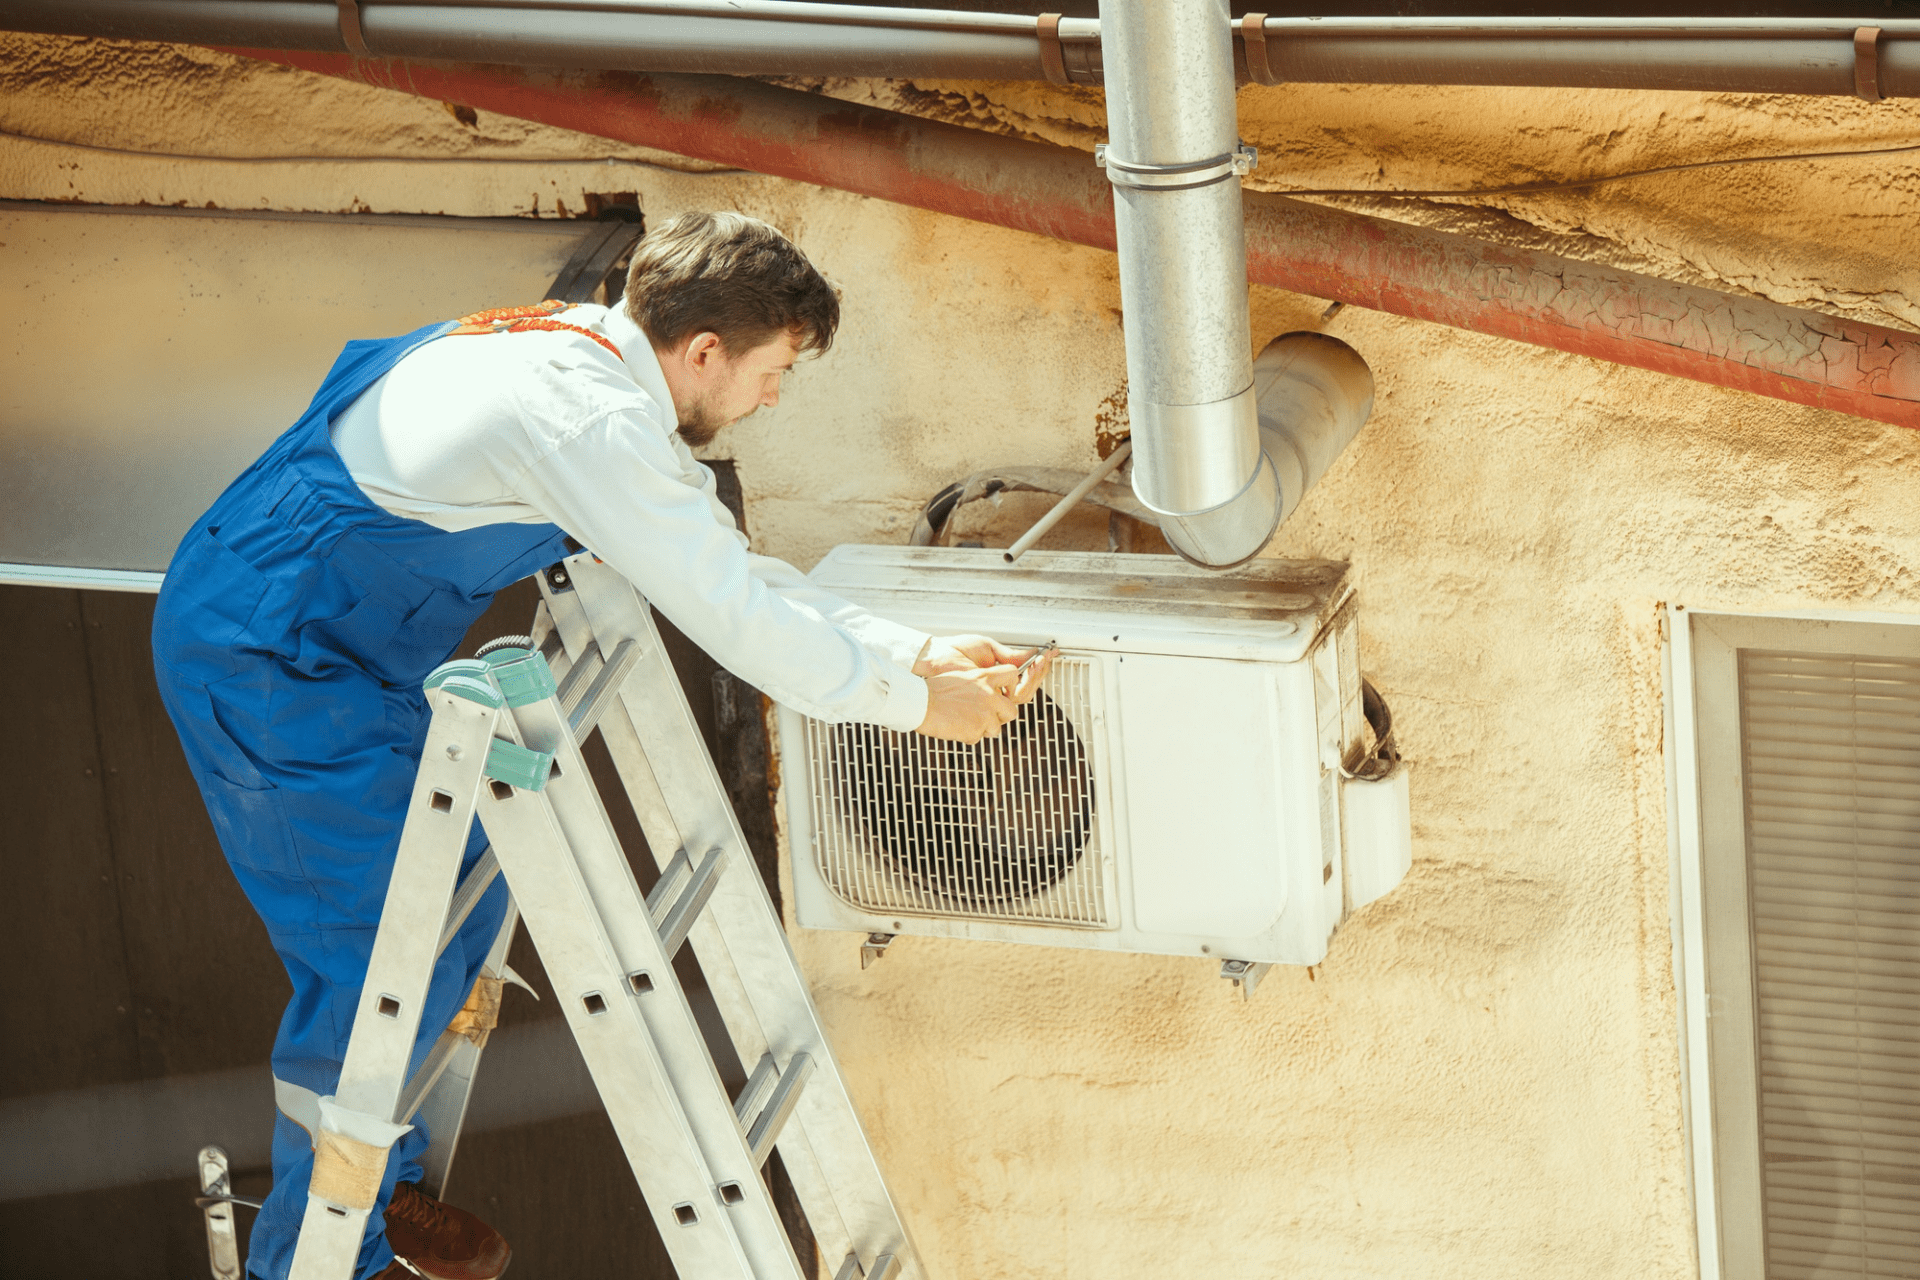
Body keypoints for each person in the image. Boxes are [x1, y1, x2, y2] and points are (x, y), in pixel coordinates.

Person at [152, 210, 1054, 1280]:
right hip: (270, 660)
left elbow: (729, 569)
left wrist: (919, 655)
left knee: (453, 908)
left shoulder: (578, 354)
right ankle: (307, 1255)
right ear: (705, 351)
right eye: (775, 371)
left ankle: (380, 1183)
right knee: (371, 955)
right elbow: (730, 611)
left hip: (341, 648)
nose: (771, 398)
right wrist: (912, 704)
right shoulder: (590, 422)